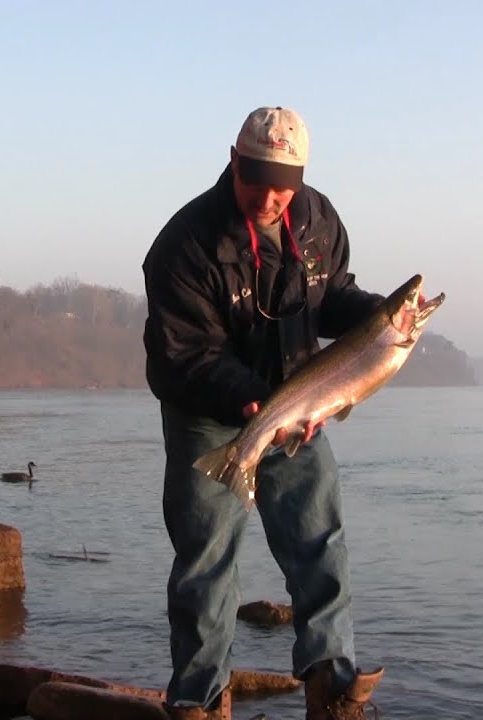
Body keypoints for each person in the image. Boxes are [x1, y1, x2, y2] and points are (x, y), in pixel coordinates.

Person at [143, 106, 388, 720]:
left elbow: (329, 297)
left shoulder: (319, 219)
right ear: (233, 160)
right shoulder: (184, 244)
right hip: (210, 412)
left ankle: (332, 684)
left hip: (298, 403)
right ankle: (199, 699)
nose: (273, 195)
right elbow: (184, 354)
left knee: (319, 541)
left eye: (286, 182)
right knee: (206, 563)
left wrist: (379, 319)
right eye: (258, 177)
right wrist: (251, 402)